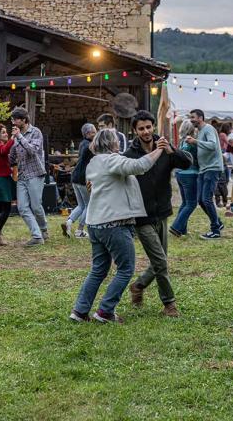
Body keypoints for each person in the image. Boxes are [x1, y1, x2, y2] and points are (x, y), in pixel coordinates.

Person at [69, 129, 164, 323]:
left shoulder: (93, 163)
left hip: (95, 224)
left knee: (98, 269)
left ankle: (79, 311)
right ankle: (105, 312)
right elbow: (140, 165)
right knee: (126, 268)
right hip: (114, 224)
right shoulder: (112, 160)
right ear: (113, 144)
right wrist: (159, 149)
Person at [124, 111, 192, 317]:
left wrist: (172, 151)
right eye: (141, 128)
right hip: (141, 216)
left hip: (162, 211)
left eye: (148, 127)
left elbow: (187, 163)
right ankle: (169, 304)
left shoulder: (164, 149)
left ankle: (138, 285)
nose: (146, 131)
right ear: (135, 131)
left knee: (159, 260)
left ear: (153, 127)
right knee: (161, 262)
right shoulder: (130, 155)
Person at [8, 107, 48, 246]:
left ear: (23, 120)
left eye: (15, 119)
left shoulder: (36, 132)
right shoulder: (15, 135)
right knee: (22, 208)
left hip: (36, 174)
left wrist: (19, 137)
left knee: (36, 206)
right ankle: (37, 236)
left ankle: (43, 229)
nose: (12, 122)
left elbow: (33, 151)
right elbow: (12, 156)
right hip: (22, 174)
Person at [186, 109, 224, 240]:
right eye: (191, 117)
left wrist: (195, 142)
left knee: (206, 199)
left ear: (201, 118)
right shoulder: (200, 131)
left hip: (212, 168)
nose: (191, 120)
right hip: (204, 169)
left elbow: (213, 146)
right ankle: (218, 223)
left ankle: (215, 231)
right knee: (201, 200)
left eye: (193, 117)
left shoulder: (208, 129)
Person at [62, 123, 97, 239]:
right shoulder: (90, 145)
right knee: (89, 204)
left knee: (81, 205)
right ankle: (80, 231)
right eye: (94, 132)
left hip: (75, 177)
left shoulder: (82, 143)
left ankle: (68, 223)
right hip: (83, 178)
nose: (96, 133)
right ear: (88, 134)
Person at [169, 120, 199, 237]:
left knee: (185, 202)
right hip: (190, 174)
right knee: (191, 203)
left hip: (180, 173)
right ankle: (176, 226)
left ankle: (182, 229)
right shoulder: (192, 142)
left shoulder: (182, 142)